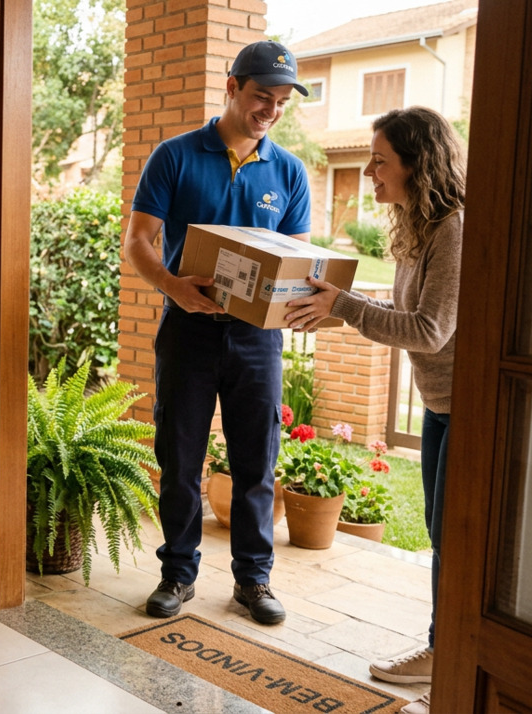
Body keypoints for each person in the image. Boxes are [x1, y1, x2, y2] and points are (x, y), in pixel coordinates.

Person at [284, 105, 465, 714]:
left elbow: (431, 329)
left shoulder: (454, 228)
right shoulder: (418, 230)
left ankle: (456, 660)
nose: (368, 172)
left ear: (419, 165)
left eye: (381, 160)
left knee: (457, 543)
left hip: (468, 409)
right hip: (441, 407)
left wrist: (344, 307)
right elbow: (406, 312)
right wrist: (342, 299)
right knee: (445, 538)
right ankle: (445, 652)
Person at [123, 40, 311, 625]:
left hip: (257, 341)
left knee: (256, 462)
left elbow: (298, 259)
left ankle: (253, 581)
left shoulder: (289, 171)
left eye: (281, 102)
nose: (271, 110)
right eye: (262, 96)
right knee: (180, 457)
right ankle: (177, 574)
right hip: (188, 330)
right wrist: (173, 286)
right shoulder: (175, 156)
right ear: (232, 87)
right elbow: (139, 241)